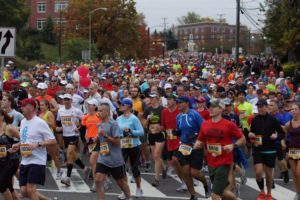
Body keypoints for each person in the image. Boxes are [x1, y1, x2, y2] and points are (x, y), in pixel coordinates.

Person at [195, 98, 245, 198]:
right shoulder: (205, 124)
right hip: (211, 162)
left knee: (215, 194)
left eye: (214, 106)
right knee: (222, 192)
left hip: (224, 161)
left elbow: (242, 139)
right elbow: (199, 140)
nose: (210, 109)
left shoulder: (229, 124)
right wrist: (197, 144)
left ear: (221, 109)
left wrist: (233, 145)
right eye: (210, 106)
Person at [14, 98, 57, 200]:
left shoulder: (40, 122)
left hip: (37, 160)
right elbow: (26, 139)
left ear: (32, 107)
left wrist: (38, 144)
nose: (21, 107)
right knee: (24, 191)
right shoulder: (23, 121)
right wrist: (18, 144)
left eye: (24, 106)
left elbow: (52, 140)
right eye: (21, 105)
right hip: (25, 159)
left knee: (31, 189)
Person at [248, 99, 285, 200]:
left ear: (266, 107)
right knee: (258, 172)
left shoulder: (273, 120)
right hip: (258, 150)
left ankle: (269, 194)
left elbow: (282, 133)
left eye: (261, 106)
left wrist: (276, 136)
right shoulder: (254, 120)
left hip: (270, 150)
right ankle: (261, 192)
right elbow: (251, 135)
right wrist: (250, 135)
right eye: (258, 107)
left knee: (269, 176)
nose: (259, 108)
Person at [175, 96, 211, 200]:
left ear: (186, 103)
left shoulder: (195, 114)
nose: (179, 105)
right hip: (184, 146)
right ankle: (193, 195)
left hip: (195, 146)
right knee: (186, 172)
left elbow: (204, 129)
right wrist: (176, 133)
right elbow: (179, 130)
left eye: (180, 103)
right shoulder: (178, 117)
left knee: (194, 173)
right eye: (177, 103)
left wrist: (198, 140)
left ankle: (206, 184)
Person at [94, 102, 132, 200]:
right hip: (103, 157)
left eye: (100, 111)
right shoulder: (99, 124)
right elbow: (101, 139)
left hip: (114, 159)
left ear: (107, 112)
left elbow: (117, 142)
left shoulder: (113, 124)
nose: (98, 112)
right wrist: (97, 139)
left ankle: (128, 197)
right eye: (98, 110)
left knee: (121, 182)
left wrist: (104, 135)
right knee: (98, 180)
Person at [56, 94, 89, 186]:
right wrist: (59, 128)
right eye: (64, 99)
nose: (66, 101)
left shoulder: (76, 110)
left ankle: (68, 178)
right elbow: (58, 122)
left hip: (74, 135)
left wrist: (78, 128)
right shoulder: (60, 110)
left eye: (68, 99)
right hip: (65, 135)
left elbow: (85, 120)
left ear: (71, 101)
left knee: (69, 154)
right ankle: (85, 168)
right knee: (72, 155)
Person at [117, 98, 144, 198]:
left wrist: (131, 131)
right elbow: (117, 132)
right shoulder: (119, 119)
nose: (120, 106)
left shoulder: (134, 118)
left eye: (123, 105)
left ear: (128, 106)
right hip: (123, 146)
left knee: (134, 168)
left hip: (134, 146)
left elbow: (141, 132)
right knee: (122, 168)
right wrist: (121, 134)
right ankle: (125, 191)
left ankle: (138, 188)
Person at [161, 94, 187, 192]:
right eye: (167, 99)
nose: (168, 101)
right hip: (169, 140)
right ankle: (184, 181)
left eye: (170, 99)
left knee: (176, 159)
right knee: (172, 162)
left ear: (175, 101)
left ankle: (187, 179)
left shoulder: (179, 111)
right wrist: (158, 129)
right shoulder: (164, 111)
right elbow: (163, 126)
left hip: (180, 139)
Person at [143, 93, 167, 187]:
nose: (151, 99)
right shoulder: (147, 109)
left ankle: (156, 179)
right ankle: (164, 167)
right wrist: (148, 119)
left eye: (153, 98)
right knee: (155, 157)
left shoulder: (162, 109)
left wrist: (160, 128)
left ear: (157, 98)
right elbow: (144, 125)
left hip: (160, 134)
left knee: (156, 155)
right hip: (151, 134)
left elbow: (165, 124)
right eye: (150, 98)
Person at [38, 99, 62, 179]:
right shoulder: (40, 114)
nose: (41, 107)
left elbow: (53, 125)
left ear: (47, 106)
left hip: (49, 136)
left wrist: (44, 121)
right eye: (40, 105)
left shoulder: (49, 113)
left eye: (42, 105)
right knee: (39, 154)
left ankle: (59, 170)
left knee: (53, 155)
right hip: (41, 137)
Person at [0, 109, 20, 200]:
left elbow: (25, 139)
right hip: (1, 161)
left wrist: (17, 146)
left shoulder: (9, 128)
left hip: (11, 161)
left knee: (2, 186)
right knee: (9, 188)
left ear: (2, 116)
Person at [81, 98, 101, 192]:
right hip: (90, 141)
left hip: (100, 140)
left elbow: (104, 126)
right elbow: (86, 128)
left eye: (90, 104)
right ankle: (104, 180)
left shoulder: (99, 116)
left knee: (93, 161)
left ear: (95, 106)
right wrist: (86, 135)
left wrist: (97, 135)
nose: (88, 106)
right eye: (88, 104)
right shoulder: (85, 116)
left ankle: (96, 183)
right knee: (95, 162)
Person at [284, 103, 300, 200]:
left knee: (299, 172)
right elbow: (283, 134)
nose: (293, 111)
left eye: (295, 109)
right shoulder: (288, 123)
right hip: (293, 149)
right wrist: (282, 142)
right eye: (292, 109)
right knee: (294, 173)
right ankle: (298, 192)